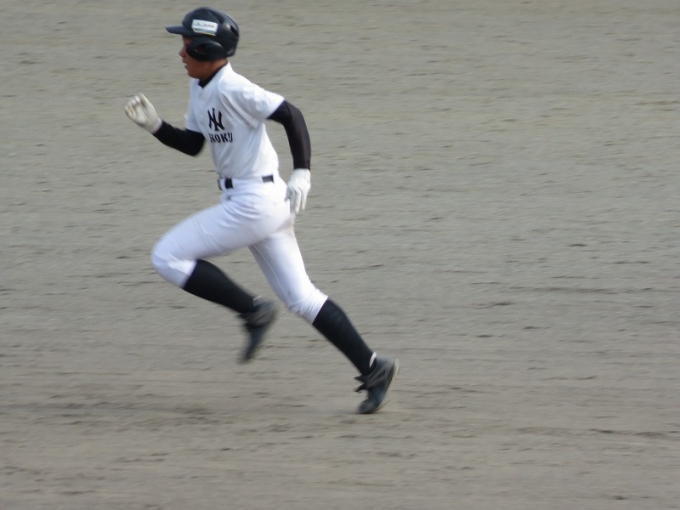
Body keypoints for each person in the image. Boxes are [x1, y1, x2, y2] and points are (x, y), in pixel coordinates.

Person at [124, 7, 398, 414]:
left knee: (167, 256)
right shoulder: (201, 87)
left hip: (255, 203)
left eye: (186, 44)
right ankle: (374, 368)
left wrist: (302, 172)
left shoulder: (235, 88)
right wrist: (155, 126)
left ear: (205, 48)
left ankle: (253, 312)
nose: (180, 52)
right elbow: (194, 144)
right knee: (302, 298)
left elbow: (290, 114)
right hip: (256, 204)